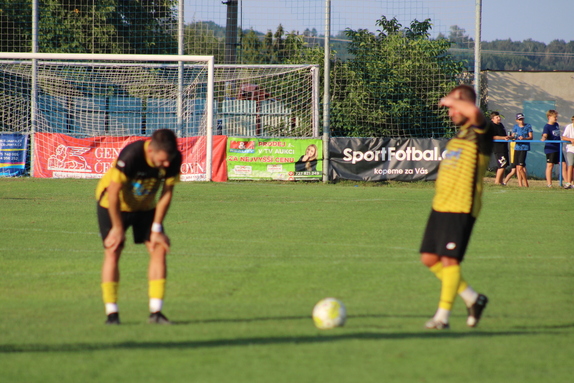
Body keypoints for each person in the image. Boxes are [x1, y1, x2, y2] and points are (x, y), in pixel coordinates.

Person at [420, 85, 492, 330]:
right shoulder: (460, 135)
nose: (450, 112)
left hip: (462, 205)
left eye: (454, 107)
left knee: (450, 260)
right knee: (429, 258)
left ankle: (442, 317)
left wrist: (449, 99)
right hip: (441, 204)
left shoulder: (482, 131)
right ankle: (473, 298)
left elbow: (473, 111)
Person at [95, 129, 182, 325]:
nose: (167, 164)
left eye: (170, 159)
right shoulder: (132, 155)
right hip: (113, 204)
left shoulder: (173, 158)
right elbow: (114, 192)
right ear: (151, 150)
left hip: (145, 206)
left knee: (159, 248)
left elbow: (167, 193)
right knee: (113, 249)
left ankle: (156, 313)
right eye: (162, 160)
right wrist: (117, 228)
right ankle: (112, 314)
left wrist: (157, 228)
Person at [510, 113, 533, 187]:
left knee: (520, 167)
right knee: (517, 167)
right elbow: (513, 136)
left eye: (522, 119)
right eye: (519, 119)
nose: (521, 121)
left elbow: (531, 137)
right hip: (517, 147)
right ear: (516, 120)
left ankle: (526, 184)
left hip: (524, 147)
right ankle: (520, 184)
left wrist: (524, 138)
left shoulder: (528, 126)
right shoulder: (515, 127)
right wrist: (509, 137)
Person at [541, 110, 562, 187]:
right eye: (555, 117)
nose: (556, 118)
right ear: (549, 117)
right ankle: (549, 184)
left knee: (563, 164)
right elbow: (545, 134)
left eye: (557, 116)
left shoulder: (556, 124)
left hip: (558, 147)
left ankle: (567, 182)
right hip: (551, 149)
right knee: (550, 165)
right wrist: (544, 137)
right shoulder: (547, 126)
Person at [489, 111, 510, 185]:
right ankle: (497, 182)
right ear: (492, 119)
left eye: (499, 117)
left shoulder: (500, 125)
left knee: (504, 165)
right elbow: (493, 136)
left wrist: (508, 137)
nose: (499, 118)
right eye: (497, 117)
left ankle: (500, 182)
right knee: (501, 165)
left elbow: (504, 136)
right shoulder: (491, 125)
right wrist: (503, 138)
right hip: (498, 148)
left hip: (504, 147)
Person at [561, 116, 574, 189]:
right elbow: (564, 137)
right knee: (570, 164)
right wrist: (571, 139)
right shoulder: (569, 127)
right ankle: (568, 182)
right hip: (571, 149)